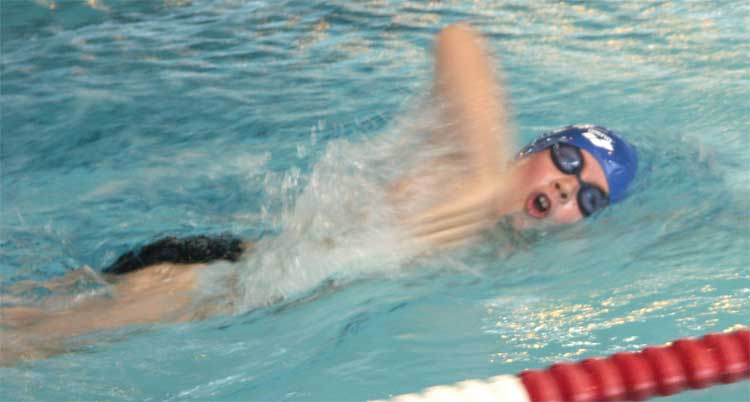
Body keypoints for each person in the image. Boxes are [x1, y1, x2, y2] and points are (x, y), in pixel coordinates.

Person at [0, 24, 637, 364]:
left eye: (590, 198)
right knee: (26, 345)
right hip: (202, 280)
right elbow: (460, 40)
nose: (568, 186)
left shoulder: (501, 249)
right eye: (567, 161)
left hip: (229, 293)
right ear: (531, 152)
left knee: (25, 316)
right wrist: (479, 174)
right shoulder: (461, 166)